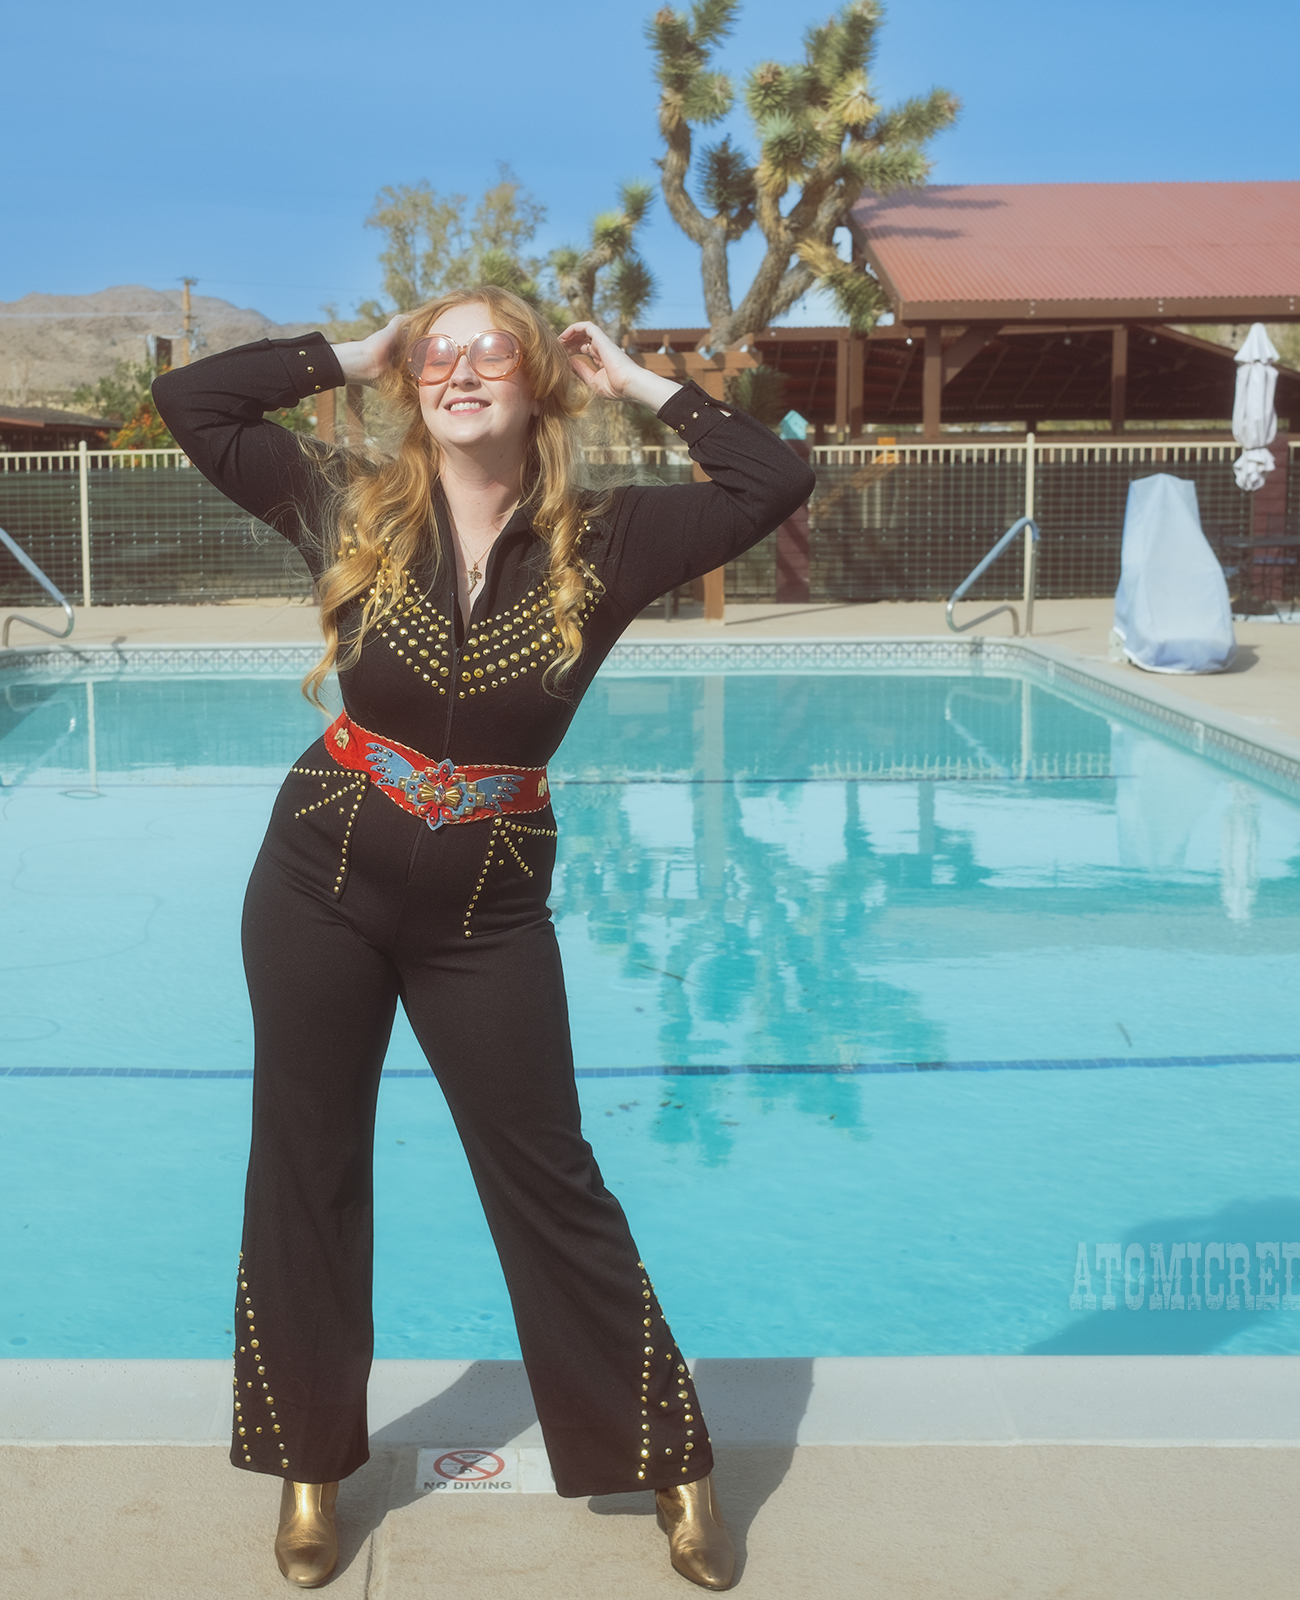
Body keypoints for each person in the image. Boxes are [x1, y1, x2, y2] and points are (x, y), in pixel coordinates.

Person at [155, 286, 812, 1590]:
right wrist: (346, 354)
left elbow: (773, 475)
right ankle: (308, 1466)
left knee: (548, 1172)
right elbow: (193, 401)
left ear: (536, 381)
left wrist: (638, 378)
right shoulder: (346, 501)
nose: (460, 370)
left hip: (487, 898)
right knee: (307, 1159)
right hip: (320, 870)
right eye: (437, 354)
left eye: (489, 350)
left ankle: (670, 1456)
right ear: (412, 383)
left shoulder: (611, 538)